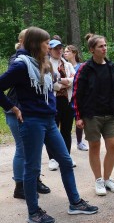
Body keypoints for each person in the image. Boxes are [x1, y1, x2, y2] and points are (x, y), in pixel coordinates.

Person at [0, 27, 98, 223]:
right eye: (46, 43)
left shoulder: (42, 62)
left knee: (65, 160)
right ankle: (34, 213)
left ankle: (75, 203)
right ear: (36, 44)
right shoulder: (21, 65)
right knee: (32, 168)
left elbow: (50, 86)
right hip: (32, 122)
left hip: (49, 120)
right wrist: (13, 108)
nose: (49, 46)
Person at [73, 34, 114, 196]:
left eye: (105, 45)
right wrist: (78, 116)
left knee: (113, 146)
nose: (104, 48)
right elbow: (77, 93)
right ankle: (98, 180)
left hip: (111, 114)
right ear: (92, 49)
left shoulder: (111, 66)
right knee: (94, 146)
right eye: (101, 46)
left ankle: (108, 179)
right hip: (92, 115)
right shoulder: (85, 68)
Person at [5, 29, 50, 199]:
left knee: (35, 147)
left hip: (31, 111)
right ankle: (20, 186)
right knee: (23, 148)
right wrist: (13, 107)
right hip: (17, 110)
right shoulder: (18, 60)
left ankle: (34, 180)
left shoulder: (36, 59)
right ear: (25, 41)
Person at [46, 39, 76, 171]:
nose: (59, 51)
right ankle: (52, 158)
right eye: (55, 48)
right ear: (50, 50)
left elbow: (73, 80)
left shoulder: (67, 64)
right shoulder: (46, 64)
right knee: (52, 130)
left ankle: (66, 156)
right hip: (52, 101)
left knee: (66, 130)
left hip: (67, 101)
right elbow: (51, 84)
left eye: (60, 48)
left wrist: (61, 81)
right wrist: (63, 82)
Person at [63, 45, 88, 151]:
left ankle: (79, 142)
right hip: (66, 97)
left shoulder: (81, 66)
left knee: (79, 120)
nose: (65, 53)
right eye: (64, 51)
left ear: (74, 53)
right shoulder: (62, 66)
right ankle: (64, 144)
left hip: (78, 98)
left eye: (68, 51)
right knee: (65, 123)